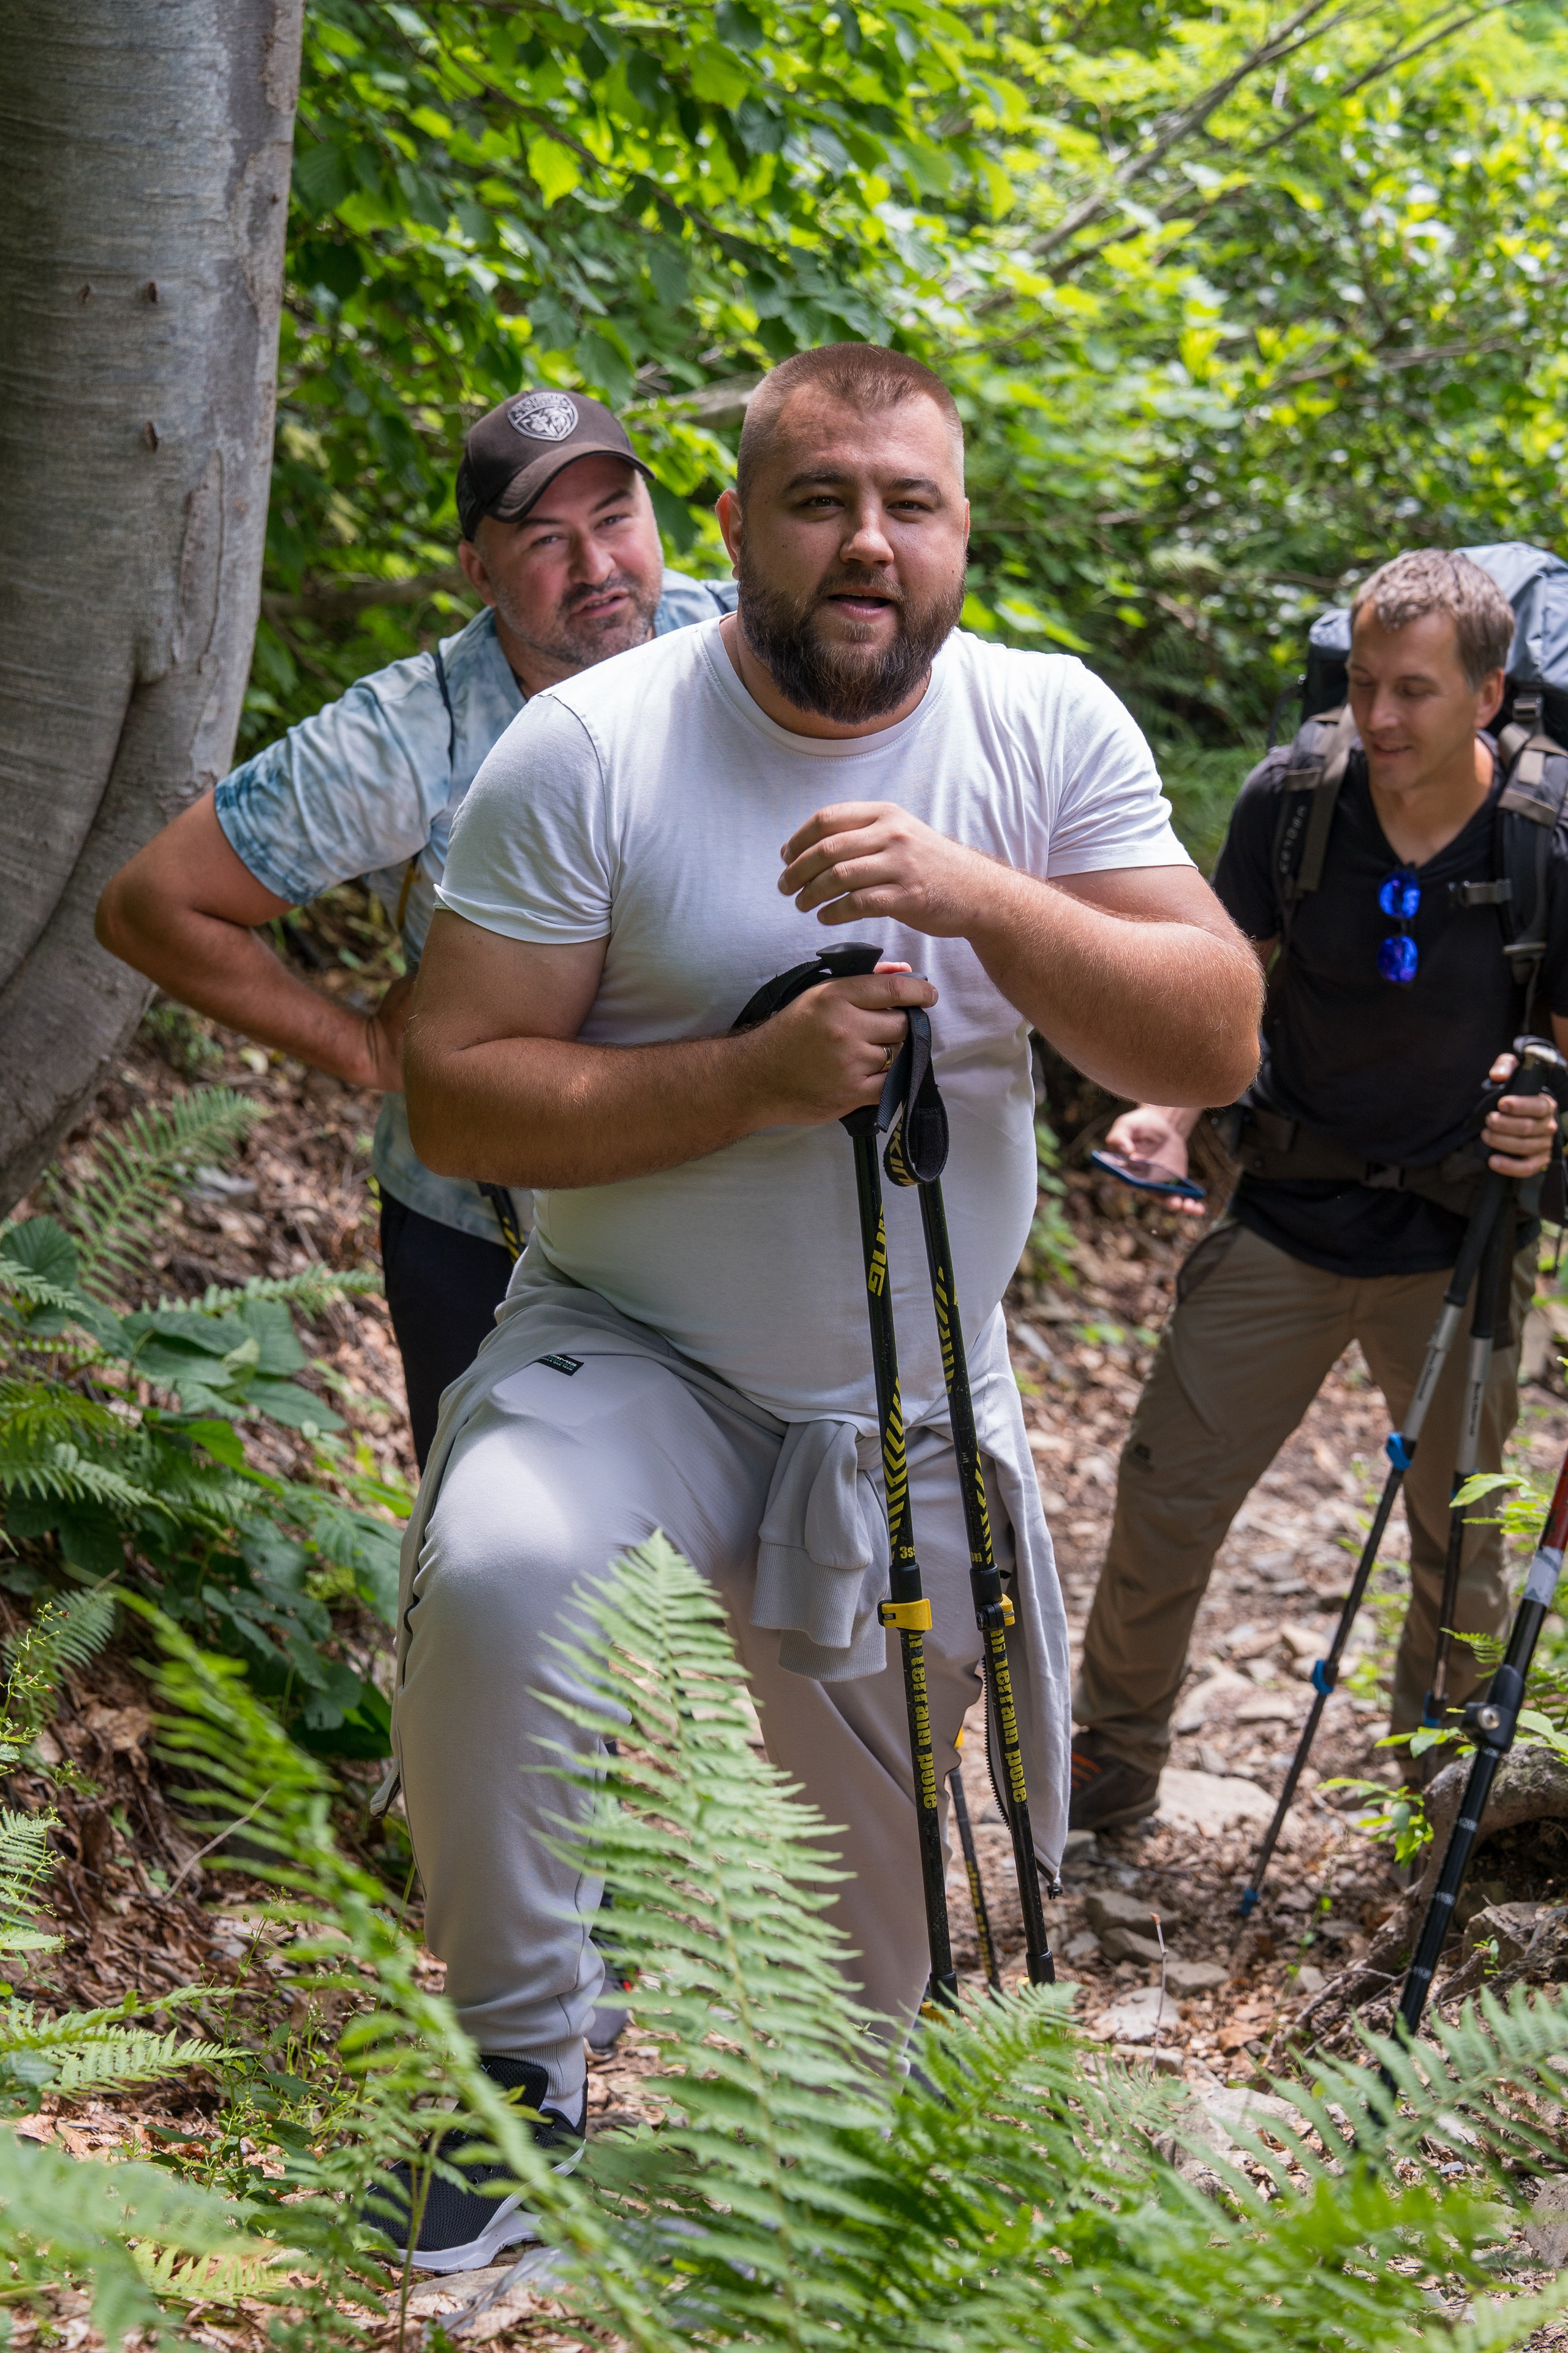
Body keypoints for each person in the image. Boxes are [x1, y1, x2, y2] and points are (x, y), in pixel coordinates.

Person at [382, 341, 1261, 2270]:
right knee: (507, 1565)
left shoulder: (1041, 730)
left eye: (911, 505)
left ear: (961, 532)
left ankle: (849, 2195)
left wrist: (981, 902)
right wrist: (745, 1080)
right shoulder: (594, 749)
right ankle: (515, 2071)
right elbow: (453, 1090)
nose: (869, 543)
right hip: (631, 1348)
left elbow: (1214, 1024)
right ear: (736, 527)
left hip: (917, 1400)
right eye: (821, 500)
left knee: (871, 2018)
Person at [95, 391, 736, 1465]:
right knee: (490, 1572)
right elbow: (153, 905)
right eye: (545, 540)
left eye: (616, 518)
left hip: (712, 1214)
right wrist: (358, 1046)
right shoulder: (411, 734)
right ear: (478, 573)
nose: (597, 567)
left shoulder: (734, 649)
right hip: (484, 1237)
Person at [1069, 548, 1568, 1835]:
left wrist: (1543, 1112)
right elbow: (1218, 972)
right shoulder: (1292, 802)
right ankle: (1106, 1777)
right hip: (1285, 1212)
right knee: (1164, 1498)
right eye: (1360, 684)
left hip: (1457, 1238)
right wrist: (1167, 1112)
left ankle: (1439, 1804)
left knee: (1459, 1543)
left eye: (1411, 690)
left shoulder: (1544, 836)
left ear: (1488, 694)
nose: (1379, 718)